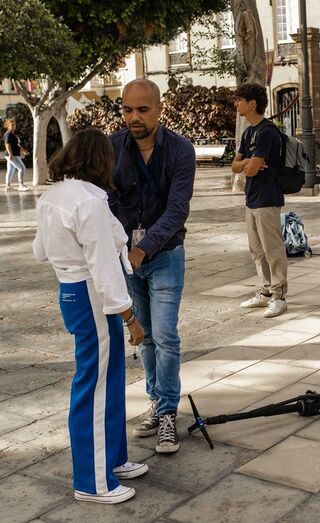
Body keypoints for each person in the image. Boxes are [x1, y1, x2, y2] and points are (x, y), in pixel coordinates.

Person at [33, 129, 147, 504]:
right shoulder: (88, 201)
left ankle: (113, 461)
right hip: (91, 294)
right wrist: (130, 318)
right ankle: (93, 483)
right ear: (101, 160)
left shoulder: (53, 196)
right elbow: (103, 267)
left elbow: (39, 251)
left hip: (73, 290)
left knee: (108, 379)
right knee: (95, 386)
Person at [109, 78, 195, 453]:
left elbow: (177, 210)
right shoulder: (112, 147)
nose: (134, 117)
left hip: (165, 256)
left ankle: (169, 414)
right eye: (128, 109)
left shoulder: (180, 150)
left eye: (143, 110)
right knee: (142, 337)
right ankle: (157, 403)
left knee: (166, 336)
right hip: (126, 260)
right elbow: (107, 201)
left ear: (160, 109)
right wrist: (119, 247)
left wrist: (144, 247)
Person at [233, 83, 288, 317]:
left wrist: (247, 164)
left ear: (252, 103)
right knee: (256, 250)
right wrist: (248, 162)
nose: (236, 104)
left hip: (268, 198)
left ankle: (279, 295)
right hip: (252, 199)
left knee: (272, 249)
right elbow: (235, 166)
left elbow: (251, 170)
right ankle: (266, 292)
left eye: (239, 99)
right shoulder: (248, 132)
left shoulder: (267, 132)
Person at [4, 118, 30, 191]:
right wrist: (10, 154)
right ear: (8, 126)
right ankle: (21, 185)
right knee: (22, 168)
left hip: (14, 154)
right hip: (12, 155)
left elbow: (17, 145)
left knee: (10, 170)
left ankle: (7, 187)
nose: (13, 126)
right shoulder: (8, 134)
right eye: (11, 125)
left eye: (14, 125)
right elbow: (7, 144)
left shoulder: (13, 134)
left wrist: (24, 151)